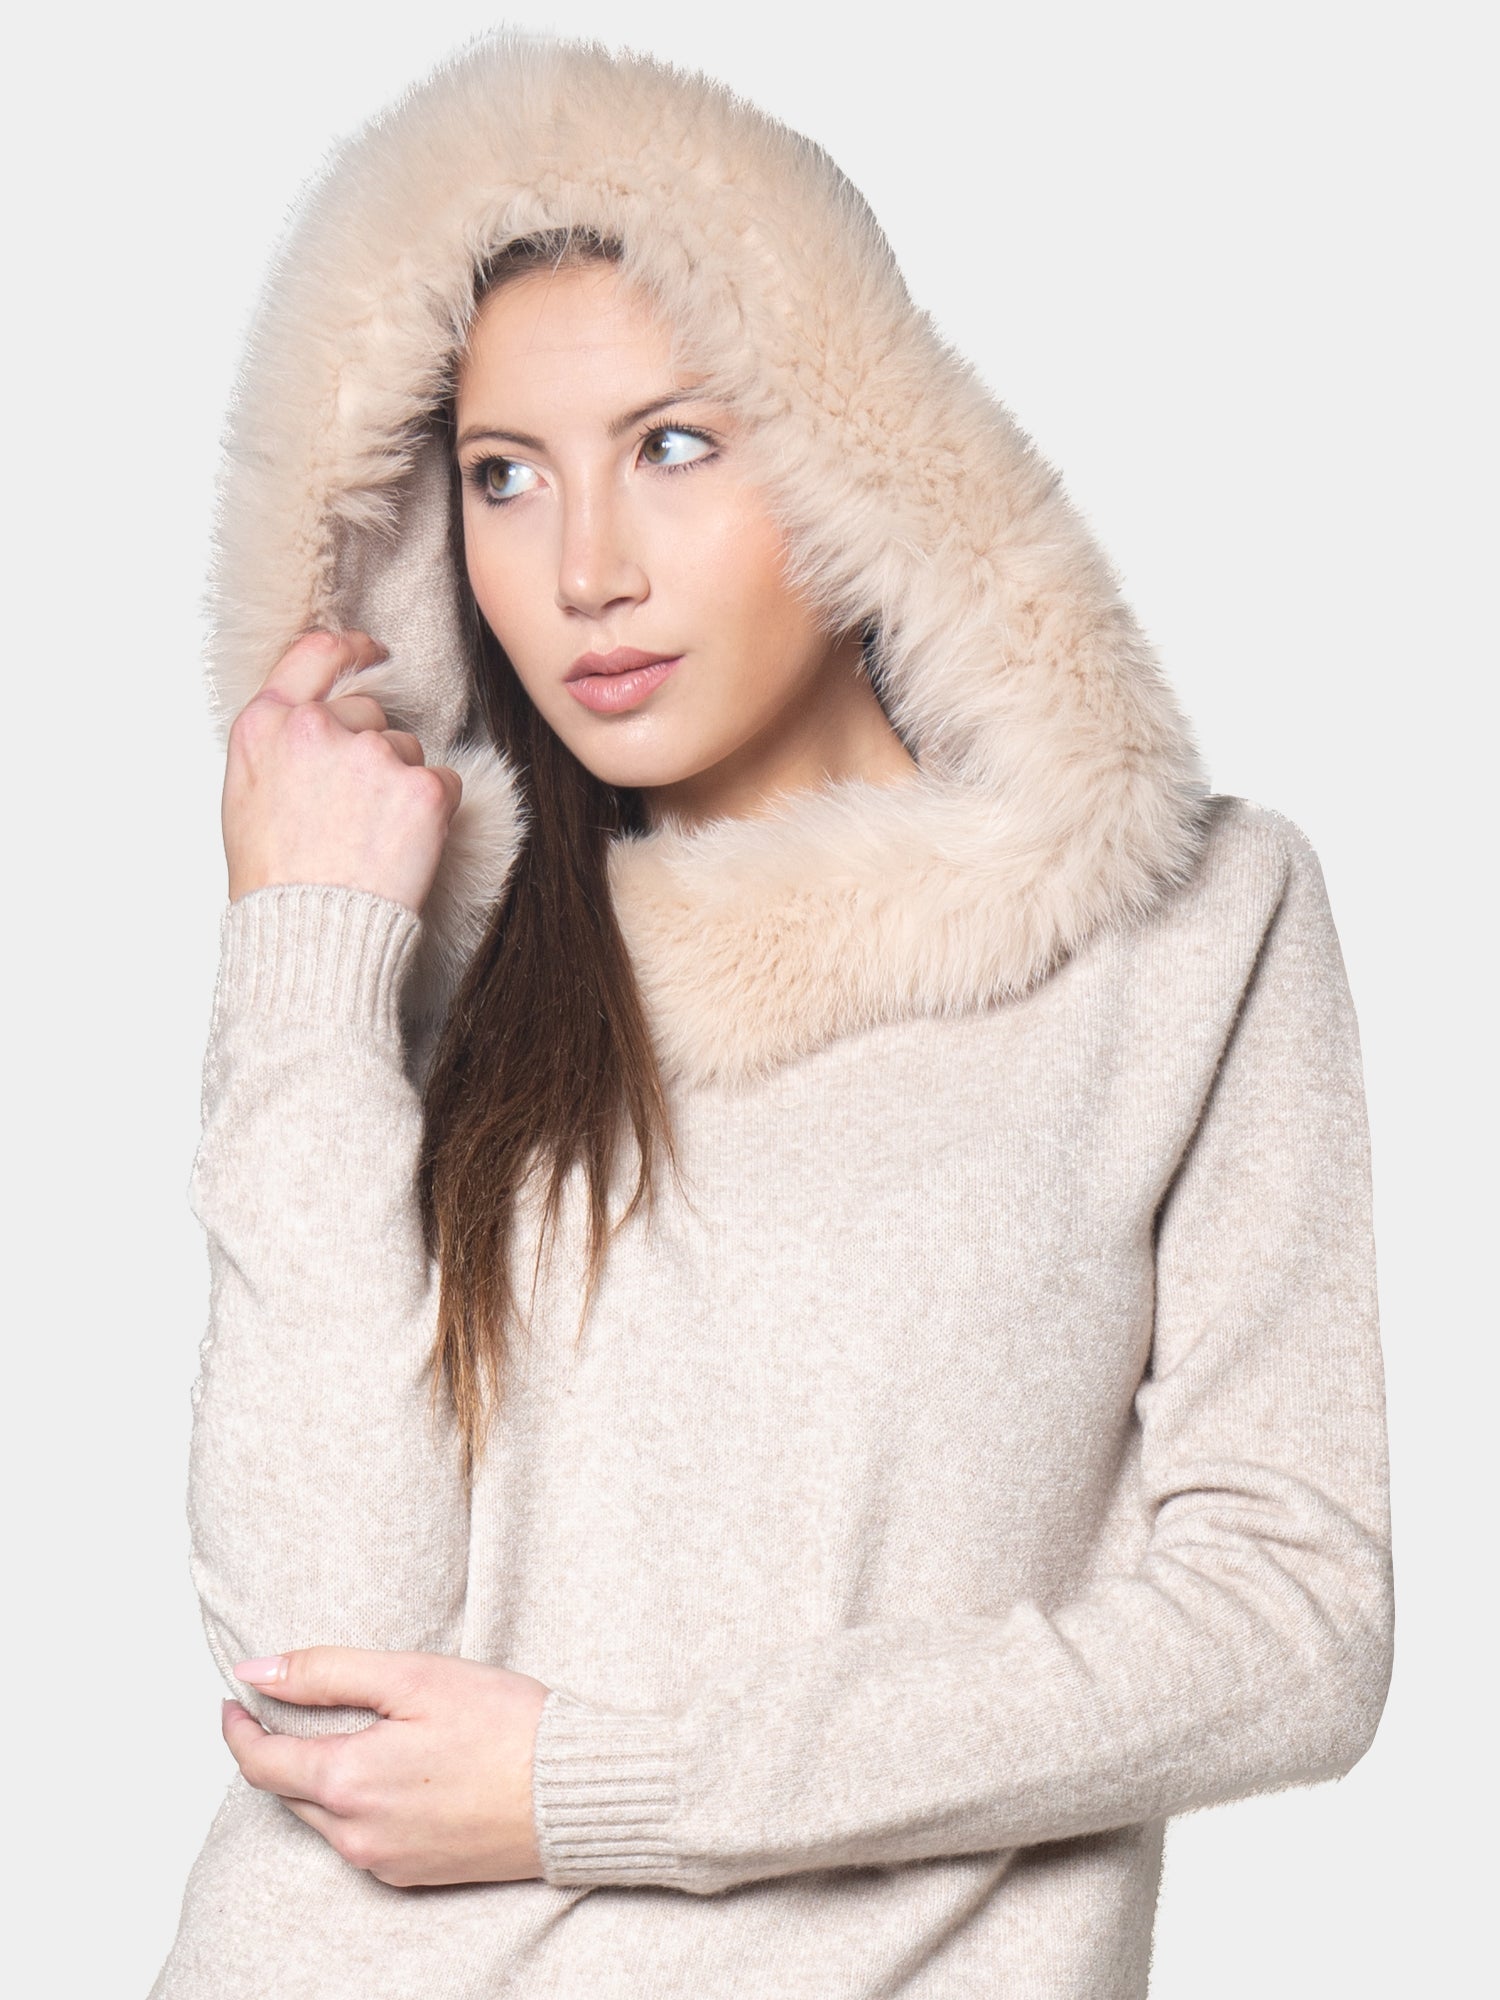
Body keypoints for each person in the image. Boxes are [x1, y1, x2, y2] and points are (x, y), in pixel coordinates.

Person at [149, 27, 1395, 2000]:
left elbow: (1291, 1630)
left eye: (673, 444)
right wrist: (301, 950)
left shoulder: (1191, 931)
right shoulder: (425, 952)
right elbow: (316, 1661)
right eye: (502, 477)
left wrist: (612, 1788)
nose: (585, 570)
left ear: (860, 446)